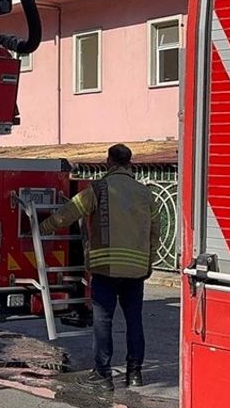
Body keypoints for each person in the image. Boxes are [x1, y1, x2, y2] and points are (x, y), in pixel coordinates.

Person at [40, 143, 161, 390]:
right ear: (130, 163)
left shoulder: (98, 189)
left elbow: (68, 213)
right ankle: (135, 374)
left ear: (109, 162)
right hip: (136, 270)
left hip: (105, 268)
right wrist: (148, 263)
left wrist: (42, 227)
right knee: (134, 321)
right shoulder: (146, 194)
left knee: (103, 321)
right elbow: (155, 232)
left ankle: (103, 375)